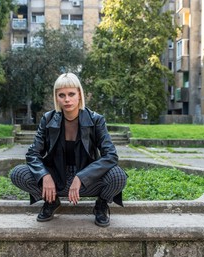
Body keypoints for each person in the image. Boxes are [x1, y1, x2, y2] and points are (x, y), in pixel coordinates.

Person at [10, 73, 127, 227]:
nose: (67, 99)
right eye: (61, 95)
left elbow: (111, 156)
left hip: (87, 182)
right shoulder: (48, 119)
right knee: (18, 173)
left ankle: (101, 205)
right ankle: (51, 201)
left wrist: (82, 177)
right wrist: (44, 175)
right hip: (57, 178)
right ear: (56, 97)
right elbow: (33, 153)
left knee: (118, 176)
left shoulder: (96, 119)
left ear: (79, 94)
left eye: (71, 94)